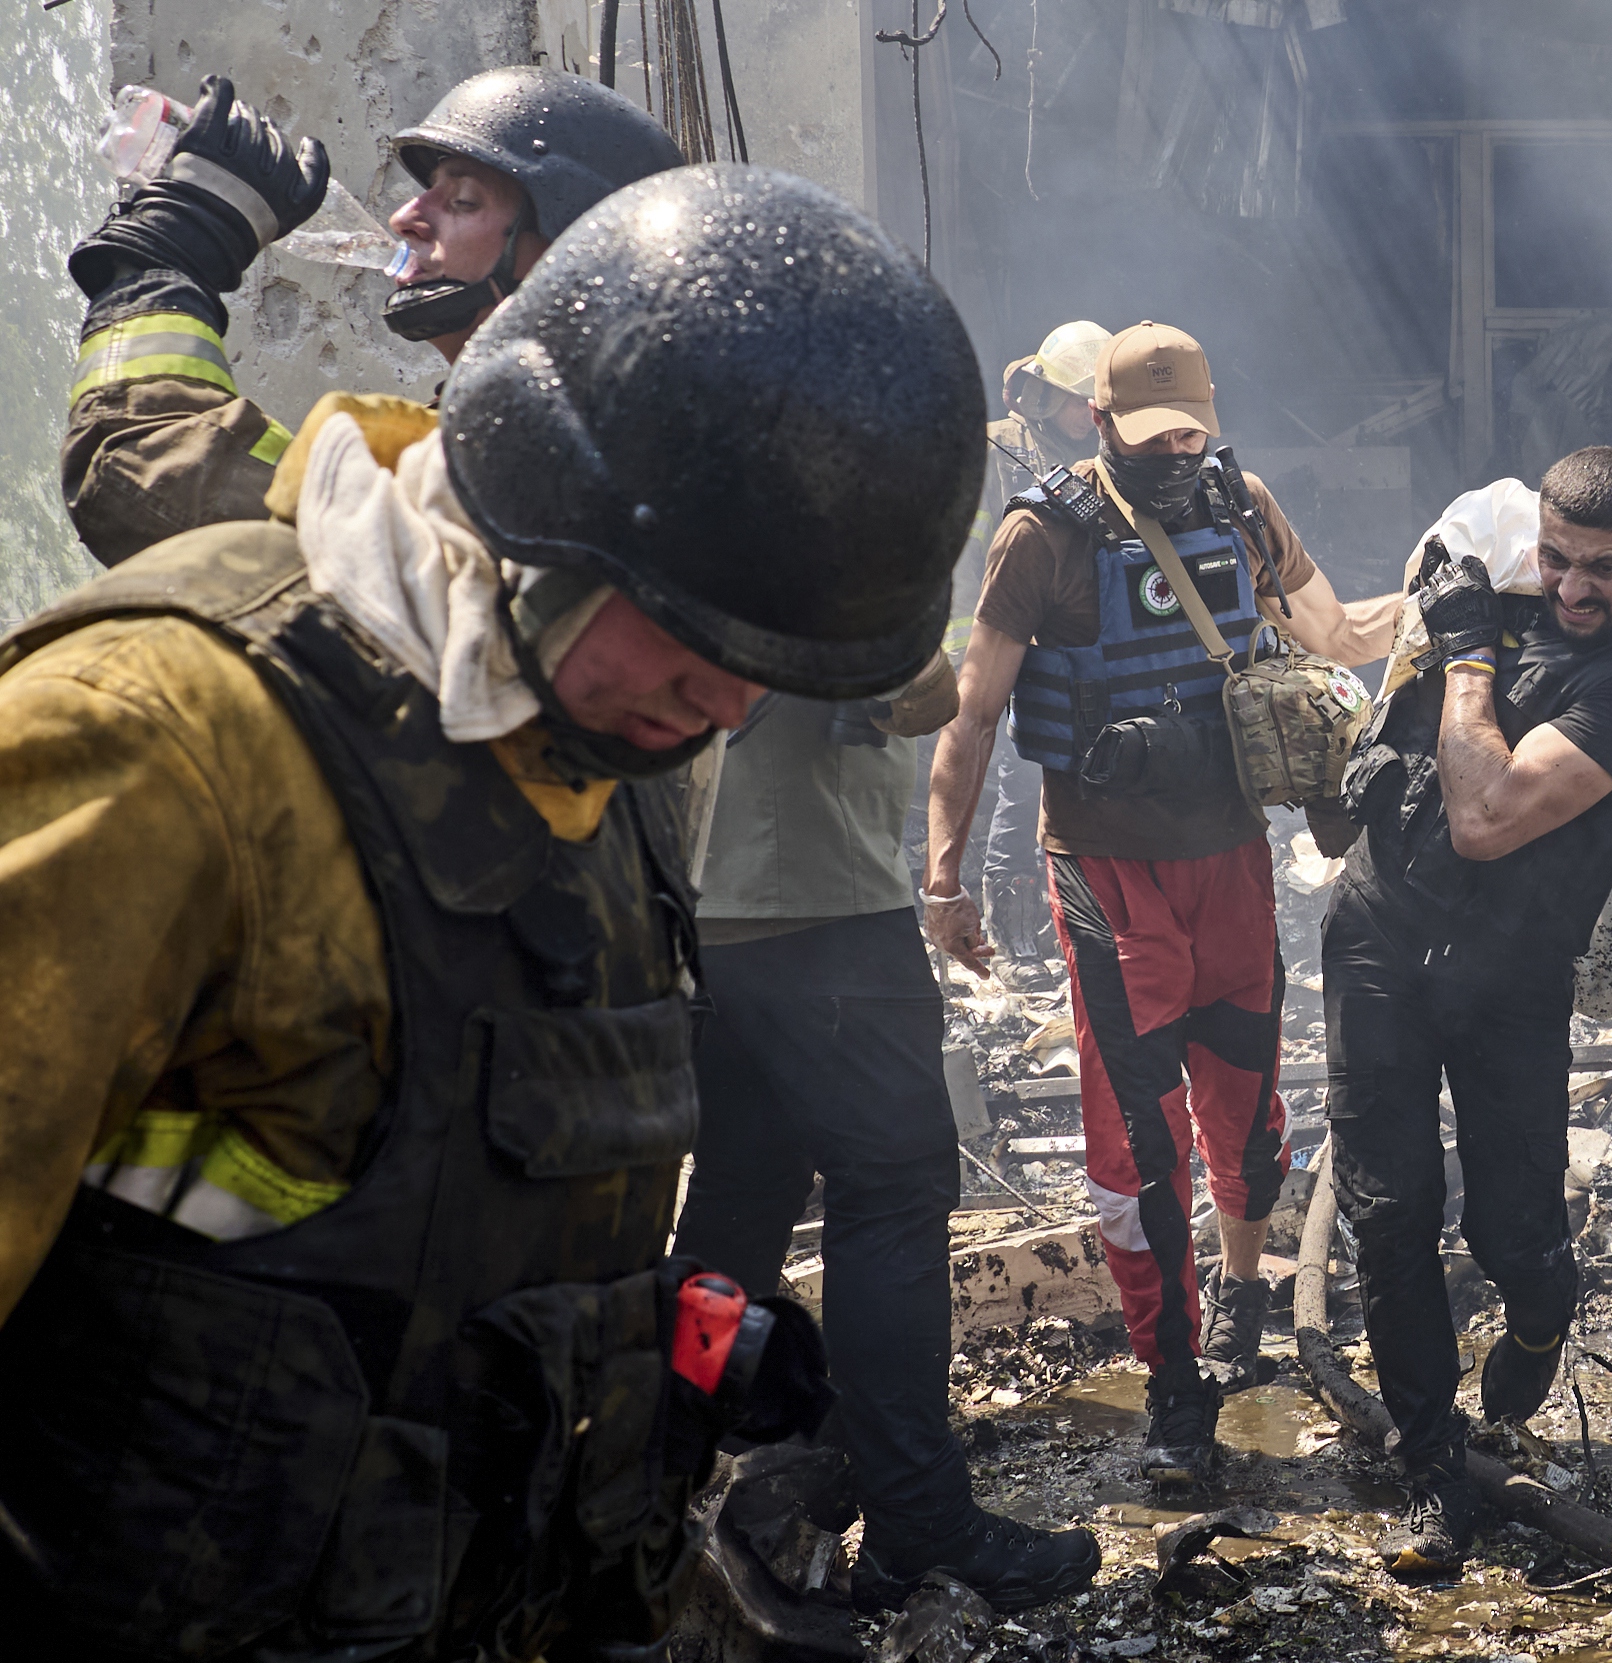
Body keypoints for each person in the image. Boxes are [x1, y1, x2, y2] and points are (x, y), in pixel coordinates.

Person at [0, 165, 982, 1658]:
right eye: (698, 637)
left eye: (766, 666)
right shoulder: (161, 738)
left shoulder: (595, 777)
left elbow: (458, 1283)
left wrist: (679, 1348)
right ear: (545, 504)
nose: (726, 703)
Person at [923, 320, 1400, 1485]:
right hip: (1107, 876)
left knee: (1245, 1118)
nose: (1171, 452)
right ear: (1097, 423)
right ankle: (1174, 1379)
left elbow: (1334, 634)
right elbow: (974, 710)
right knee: (1139, 1147)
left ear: (1213, 414)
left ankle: (1241, 1292)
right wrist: (944, 879)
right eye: (1147, 436)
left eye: (1189, 431)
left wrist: (1461, 599)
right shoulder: (1042, 535)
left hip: (1232, 861)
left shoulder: (1243, 504)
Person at [1324, 447, 1612, 1578]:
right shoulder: (1503, 585)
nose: (1576, 589)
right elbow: (1369, 653)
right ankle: (1435, 1471)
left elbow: (1488, 816)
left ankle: (1538, 1323)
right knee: (1389, 1213)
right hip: (1381, 935)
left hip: (1510, 980)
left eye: (1605, 570)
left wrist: (1472, 655)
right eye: (1559, 559)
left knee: (1514, 1235)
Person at [670, 669, 1102, 1608]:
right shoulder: (819, 526)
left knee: (737, 1198)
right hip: (823, 909)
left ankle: (668, 1445)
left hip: (707, 906)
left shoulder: (666, 523)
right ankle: (919, 1519)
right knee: (894, 1199)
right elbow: (913, 691)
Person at [62, 66, 681, 566]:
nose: (404, 219)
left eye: (462, 200)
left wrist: (159, 271)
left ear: (569, 257)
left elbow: (149, 486)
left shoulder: (522, 467)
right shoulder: (507, 439)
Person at [976, 323, 1113, 969]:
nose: (1085, 415)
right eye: (1073, 401)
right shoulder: (1000, 452)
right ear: (1045, 392)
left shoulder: (1111, 447)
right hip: (1011, 633)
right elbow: (970, 556)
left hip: (1082, 639)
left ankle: (1088, 913)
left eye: (1094, 402)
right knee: (1022, 775)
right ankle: (1013, 923)